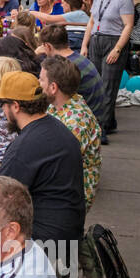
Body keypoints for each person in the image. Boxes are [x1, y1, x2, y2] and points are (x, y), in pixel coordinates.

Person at [0, 71, 85, 245]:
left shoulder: (25, 146)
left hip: (45, 244)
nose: (1, 110)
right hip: (69, 233)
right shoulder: (55, 127)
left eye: (1, 103)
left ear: (16, 106)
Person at [81, 0, 134, 136]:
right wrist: (84, 44)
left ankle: (102, 127)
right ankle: (108, 122)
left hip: (113, 40)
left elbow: (128, 25)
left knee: (108, 86)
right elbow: (91, 21)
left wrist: (118, 48)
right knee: (96, 83)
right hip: (97, 39)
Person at [41, 55, 101, 208]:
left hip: (72, 196)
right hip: (63, 182)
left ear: (53, 88)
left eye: (41, 80)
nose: (38, 84)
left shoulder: (75, 123)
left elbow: (57, 163)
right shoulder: (64, 102)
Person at [36, 24, 110, 130]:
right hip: (94, 116)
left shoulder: (63, 67)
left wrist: (34, 55)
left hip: (86, 122)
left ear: (47, 46)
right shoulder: (77, 58)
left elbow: (50, 94)